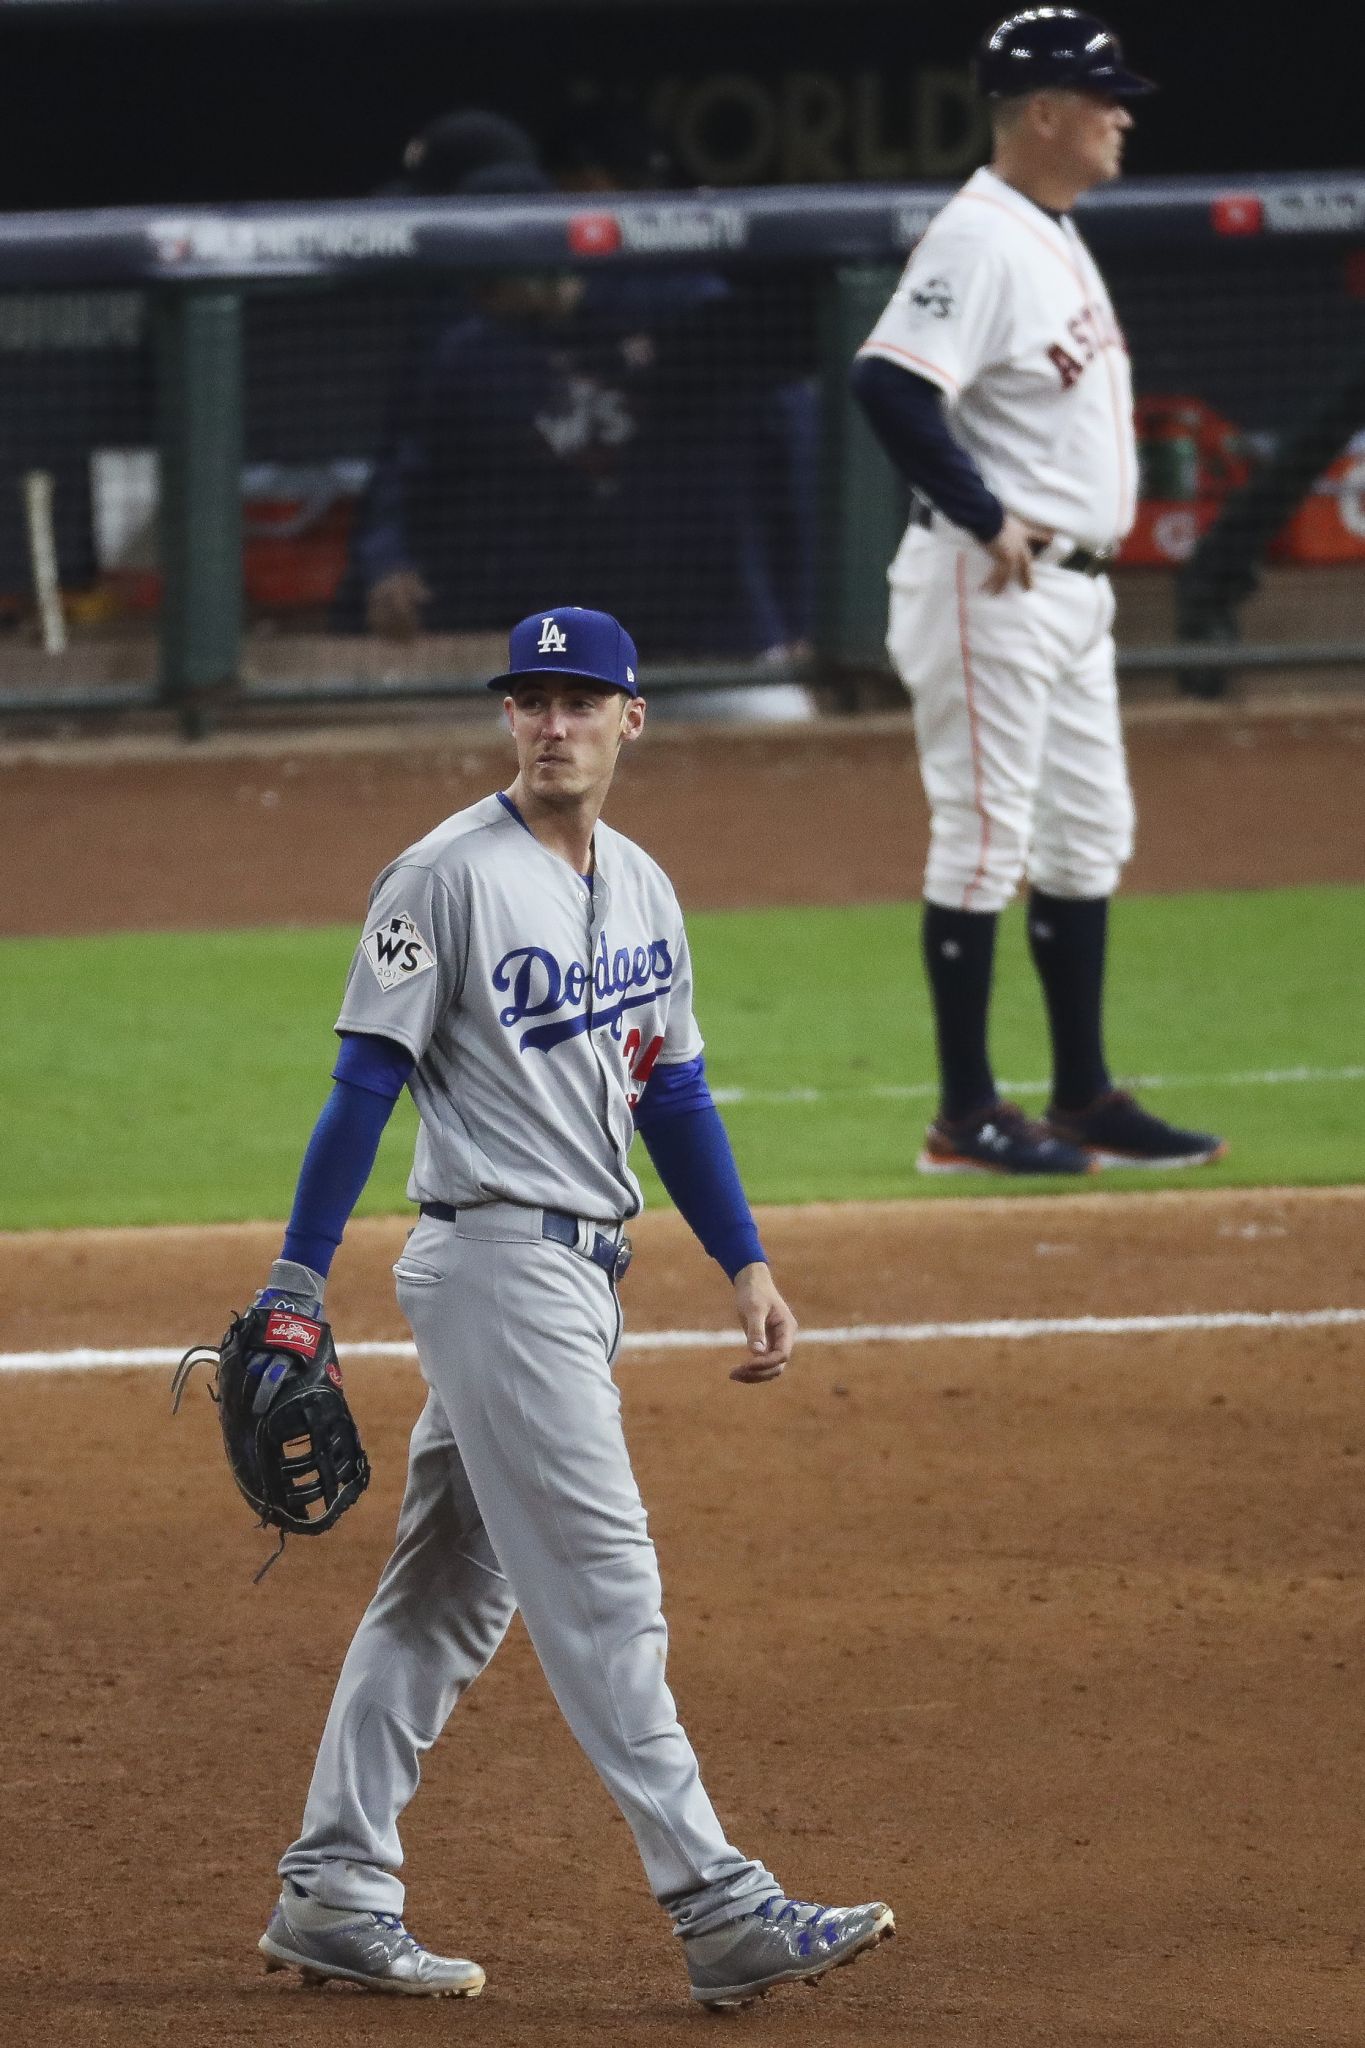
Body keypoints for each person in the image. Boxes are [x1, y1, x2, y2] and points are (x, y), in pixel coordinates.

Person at [251, 606, 895, 2007]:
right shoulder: (441, 877)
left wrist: (745, 1260)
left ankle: (334, 1888)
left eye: (578, 701)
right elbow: (362, 1085)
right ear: (509, 720)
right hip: (494, 1269)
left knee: (446, 1593)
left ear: (628, 720)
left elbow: (672, 1086)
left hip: (580, 1276)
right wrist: (299, 1280)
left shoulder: (647, 887)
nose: (552, 723)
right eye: (529, 701)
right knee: (606, 1589)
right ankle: (718, 1903)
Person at [851, 10, 1227, 1176]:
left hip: (1072, 595)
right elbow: (889, 383)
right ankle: (966, 1115)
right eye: (1104, 97)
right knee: (982, 840)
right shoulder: (981, 236)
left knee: (1087, 836)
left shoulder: (1048, 230)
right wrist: (984, 509)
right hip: (992, 585)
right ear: (1047, 112)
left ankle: (1080, 1095)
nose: (1122, 115)